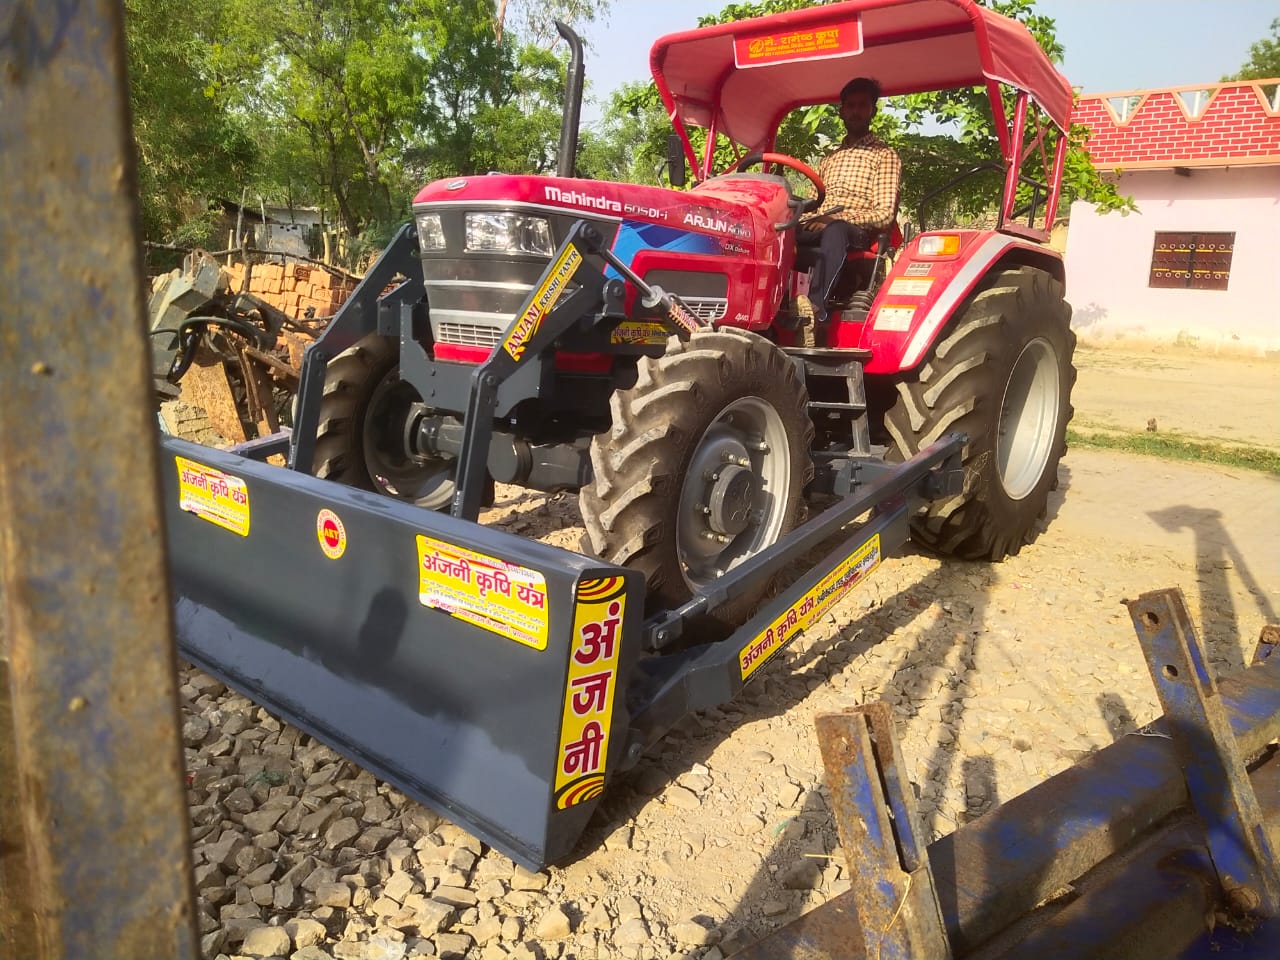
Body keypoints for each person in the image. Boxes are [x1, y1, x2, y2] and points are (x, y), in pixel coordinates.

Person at [795, 76, 902, 343]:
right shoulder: (829, 158)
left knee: (837, 230)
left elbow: (885, 213)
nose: (856, 111)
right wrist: (806, 217)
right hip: (822, 222)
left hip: (857, 231)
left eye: (862, 106)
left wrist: (834, 218)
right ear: (842, 111)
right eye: (850, 106)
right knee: (779, 229)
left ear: (872, 111)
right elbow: (812, 201)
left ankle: (816, 315)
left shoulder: (884, 155)